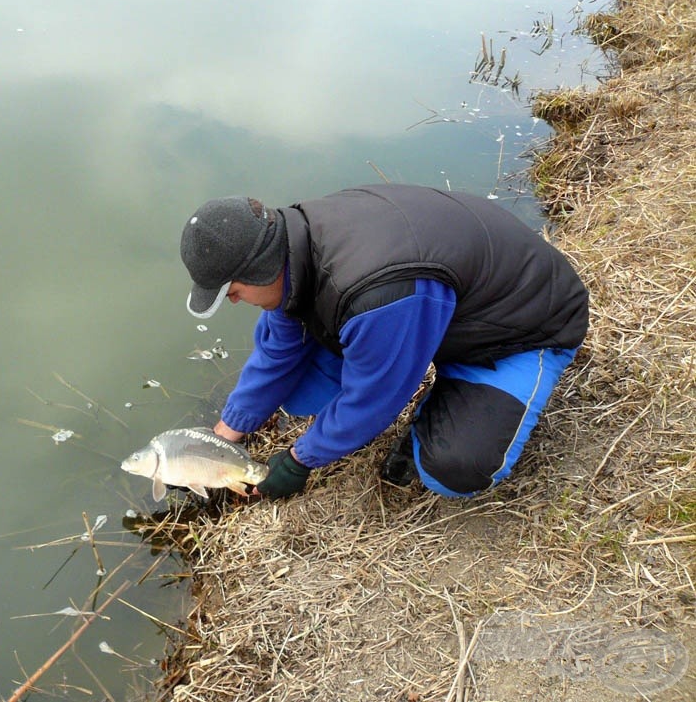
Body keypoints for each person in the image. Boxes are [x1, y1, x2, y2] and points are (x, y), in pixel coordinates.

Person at [179, 184, 589, 499]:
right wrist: (223, 436)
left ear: (259, 269)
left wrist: (299, 460)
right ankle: (433, 370)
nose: (234, 301)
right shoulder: (292, 244)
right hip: (435, 311)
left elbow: (375, 398)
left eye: (232, 292)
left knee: (457, 470)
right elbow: (276, 354)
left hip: (515, 331)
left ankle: (451, 401)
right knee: (299, 391)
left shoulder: (375, 294)